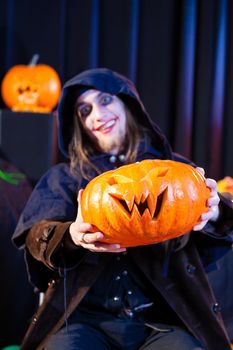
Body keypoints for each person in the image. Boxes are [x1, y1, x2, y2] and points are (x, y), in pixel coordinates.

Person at [12, 68, 233, 350]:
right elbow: (36, 235)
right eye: (84, 110)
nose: (97, 115)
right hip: (86, 321)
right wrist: (71, 235)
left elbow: (210, 220)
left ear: (128, 104)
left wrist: (214, 211)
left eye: (105, 101)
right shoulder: (64, 177)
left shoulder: (175, 170)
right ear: (78, 123)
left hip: (160, 322)